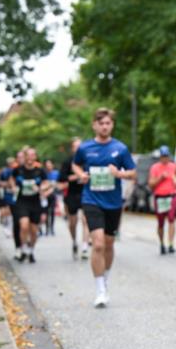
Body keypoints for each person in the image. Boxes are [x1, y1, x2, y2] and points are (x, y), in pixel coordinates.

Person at [72, 108, 136, 307]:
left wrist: (120, 174)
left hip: (113, 202)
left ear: (112, 125)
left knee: (108, 244)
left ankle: (105, 278)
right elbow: (76, 165)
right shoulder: (85, 148)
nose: (105, 126)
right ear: (94, 125)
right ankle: (100, 290)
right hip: (91, 200)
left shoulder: (120, 148)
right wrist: (81, 174)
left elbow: (133, 173)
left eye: (108, 123)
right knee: (98, 244)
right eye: (101, 123)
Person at [9, 147, 51, 263]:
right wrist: (13, 187)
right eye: (28, 155)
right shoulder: (18, 169)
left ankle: (31, 250)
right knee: (24, 225)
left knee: (33, 230)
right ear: (25, 157)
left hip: (35, 202)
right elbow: (11, 179)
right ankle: (23, 249)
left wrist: (41, 188)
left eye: (33, 155)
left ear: (35, 157)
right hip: (22, 201)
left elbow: (47, 183)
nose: (30, 158)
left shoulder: (40, 170)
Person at [60, 138, 90, 260]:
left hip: (86, 193)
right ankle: (74, 241)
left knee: (85, 220)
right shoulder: (68, 162)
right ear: (72, 148)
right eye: (75, 146)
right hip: (72, 194)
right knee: (73, 222)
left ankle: (84, 247)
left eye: (80, 146)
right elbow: (61, 178)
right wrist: (76, 176)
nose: (78, 148)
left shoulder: (88, 160)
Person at [148, 145, 176, 255]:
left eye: (166, 156)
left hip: (172, 195)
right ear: (160, 157)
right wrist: (160, 178)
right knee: (161, 223)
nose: (165, 158)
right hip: (160, 197)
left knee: (171, 219)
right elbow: (151, 184)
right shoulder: (155, 167)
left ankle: (170, 244)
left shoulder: (174, 166)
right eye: (163, 156)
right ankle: (162, 243)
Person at [44, 159, 60, 236]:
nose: (48, 167)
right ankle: (47, 229)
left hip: (53, 195)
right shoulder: (44, 173)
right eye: (47, 165)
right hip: (45, 195)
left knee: (52, 212)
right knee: (46, 212)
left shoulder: (56, 173)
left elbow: (57, 184)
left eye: (50, 165)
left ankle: (52, 228)